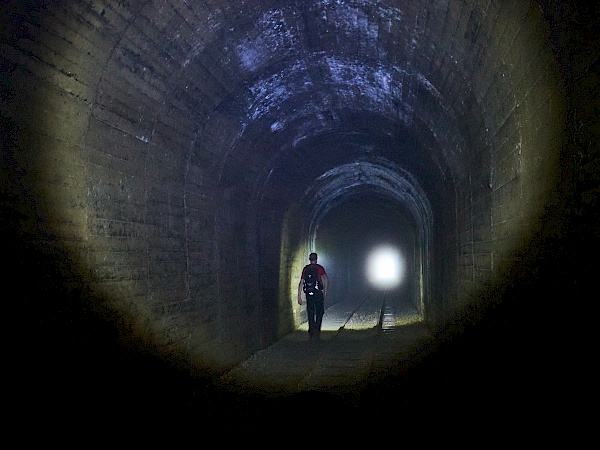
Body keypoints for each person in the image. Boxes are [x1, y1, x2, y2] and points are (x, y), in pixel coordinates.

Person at [297, 252, 328, 340]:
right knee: (319, 312)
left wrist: (299, 296)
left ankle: (311, 332)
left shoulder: (306, 269)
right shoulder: (320, 268)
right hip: (318, 293)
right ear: (316, 259)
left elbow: (301, 282)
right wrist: (324, 292)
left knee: (310, 312)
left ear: (309, 259)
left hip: (309, 294)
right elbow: (325, 280)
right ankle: (317, 331)